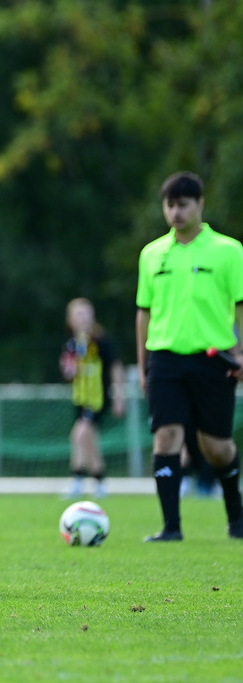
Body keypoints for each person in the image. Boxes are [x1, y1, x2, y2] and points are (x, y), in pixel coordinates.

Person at [135, 171, 243, 542]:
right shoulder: (152, 255)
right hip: (164, 358)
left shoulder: (229, 251)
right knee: (166, 437)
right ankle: (171, 528)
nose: (176, 212)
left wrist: (242, 353)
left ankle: (236, 517)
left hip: (214, 359)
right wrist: (143, 364)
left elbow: (241, 305)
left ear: (200, 205)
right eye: (170, 205)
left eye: (183, 204)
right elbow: (143, 313)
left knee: (215, 446)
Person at [59, 297, 126, 499]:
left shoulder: (100, 341)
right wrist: (69, 366)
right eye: (78, 314)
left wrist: (119, 396)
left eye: (87, 313)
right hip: (80, 399)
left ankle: (89, 480)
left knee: (80, 434)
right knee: (84, 438)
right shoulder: (71, 345)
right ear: (70, 320)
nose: (83, 318)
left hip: (98, 399)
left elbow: (116, 367)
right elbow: (67, 372)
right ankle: (88, 480)